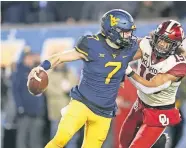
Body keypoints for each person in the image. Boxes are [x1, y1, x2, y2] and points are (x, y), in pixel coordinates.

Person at [28, 9, 138, 148]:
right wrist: (43, 67)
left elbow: (148, 46)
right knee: (60, 139)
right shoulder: (92, 44)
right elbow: (61, 57)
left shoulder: (130, 48)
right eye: (125, 31)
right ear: (112, 31)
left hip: (104, 112)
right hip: (82, 104)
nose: (129, 35)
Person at [119, 20, 186, 148]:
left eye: (167, 42)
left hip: (159, 111)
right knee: (123, 143)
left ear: (175, 46)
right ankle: (156, 144)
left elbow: (148, 88)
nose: (161, 44)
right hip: (140, 103)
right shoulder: (146, 44)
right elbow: (124, 55)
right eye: (160, 39)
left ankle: (155, 143)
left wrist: (128, 71)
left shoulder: (176, 64)